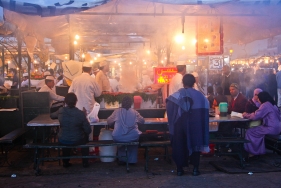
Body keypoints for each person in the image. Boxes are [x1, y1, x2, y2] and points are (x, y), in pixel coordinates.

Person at [166, 74, 209, 176]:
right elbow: (205, 112)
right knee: (196, 145)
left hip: (180, 126)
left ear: (183, 82)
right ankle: (195, 169)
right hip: (196, 125)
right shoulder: (201, 96)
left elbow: (169, 106)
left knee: (180, 145)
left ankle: (180, 170)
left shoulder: (177, 95)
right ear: (194, 83)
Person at [53, 93, 92, 168]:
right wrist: (85, 116)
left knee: (65, 139)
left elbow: (52, 115)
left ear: (65, 102)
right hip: (77, 140)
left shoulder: (61, 111)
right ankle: (85, 162)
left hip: (63, 139)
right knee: (85, 139)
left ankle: (65, 162)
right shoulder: (80, 113)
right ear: (76, 101)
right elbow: (88, 130)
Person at [68, 61, 102, 143]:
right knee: (89, 126)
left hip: (77, 108)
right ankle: (90, 147)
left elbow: (70, 92)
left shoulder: (76, 79)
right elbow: (98, 93)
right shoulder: (92, 80)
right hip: (89, 107)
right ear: (90, 70)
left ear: (82, 69)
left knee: (78, 126)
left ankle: (78, 145)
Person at [243, 91, 281, 160]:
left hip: (270, 128)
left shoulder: (265, 105)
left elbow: (255, 116)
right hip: (278, 128)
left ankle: (253, 153)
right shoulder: (273, 104)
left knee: (250, 132)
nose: (258, 101)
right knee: (257, 131)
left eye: (258, 100)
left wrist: (245, 114)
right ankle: (258, 151)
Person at [107, 96, 144, 164]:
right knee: (133, 143)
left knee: (121, 143)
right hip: (133, 137)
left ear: (122, 103)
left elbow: (109, 121)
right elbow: (142, 121)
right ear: (131, 103)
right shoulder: (135, 112)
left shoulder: (116, 112)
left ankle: (122, 160)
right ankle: (132, 161)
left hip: (118, 137)